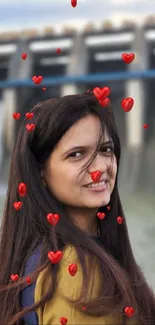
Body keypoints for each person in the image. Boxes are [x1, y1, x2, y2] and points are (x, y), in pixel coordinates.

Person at [0, 91, 155, 325]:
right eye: (77, 154)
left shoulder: (35, 251)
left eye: (105, 149)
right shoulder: (77, 271)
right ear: (40, 172)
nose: (100, 167)